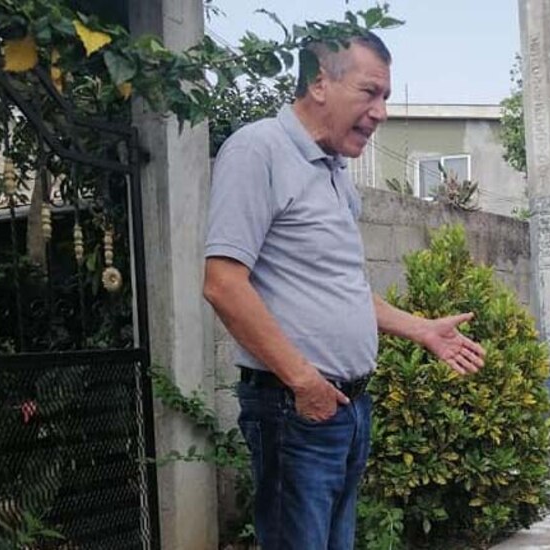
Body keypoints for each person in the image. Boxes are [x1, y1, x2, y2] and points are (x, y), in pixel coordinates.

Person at [203, 33, 485, 550]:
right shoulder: (257, 150)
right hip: (296, 409)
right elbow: (222, 284)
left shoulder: (335, 174)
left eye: (386, 98)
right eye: (370, 92)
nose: (380, 112)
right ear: (319, 84)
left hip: (345, 410)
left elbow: (342, 291)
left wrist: (422, 331)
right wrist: (304, 382)